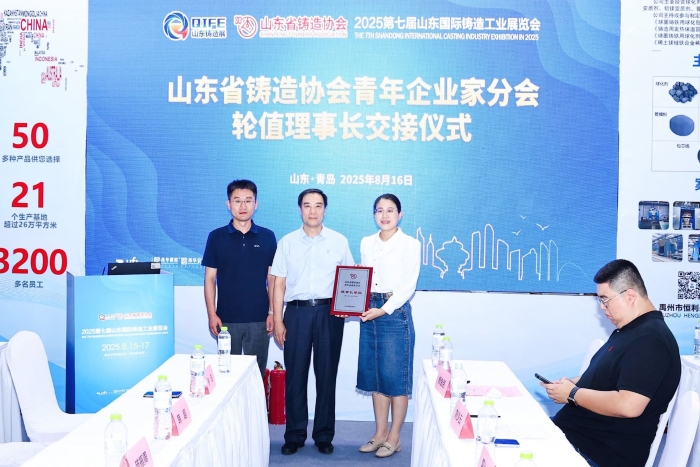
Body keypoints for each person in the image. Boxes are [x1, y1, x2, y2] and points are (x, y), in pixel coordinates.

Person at [543, 259, 680, 467]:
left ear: (630, 296)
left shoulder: (650, 339)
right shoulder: (630, 331)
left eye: (605, 299)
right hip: (577, 436)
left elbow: (629, 405)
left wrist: (572, 394)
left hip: (598, 452)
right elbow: (607, 376)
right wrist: (570, 383)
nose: (602, 307)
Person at [270, 188, 354, 456]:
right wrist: (278, 318)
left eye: (318, 205)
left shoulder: (339, 241)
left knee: (326, 375)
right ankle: (294, 435)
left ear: (325, 210)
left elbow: (351, 278)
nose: (313, 211)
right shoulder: (287, 242)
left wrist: (348, 305)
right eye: (307, 205)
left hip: (330, 313)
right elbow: (278, 284)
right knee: (295, 375)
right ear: (300, 209)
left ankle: (324, 435)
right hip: (296, 313)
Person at [356, 194, 421, 458]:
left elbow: (407, 286)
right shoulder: (366, 242)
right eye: (379, 210)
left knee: (395, 378)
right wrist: (353, 299)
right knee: (376, 377)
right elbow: (364, 277)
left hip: (393, 312)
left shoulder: (411, 244)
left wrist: (382, 310)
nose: (384, 215)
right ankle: (380, 434)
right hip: (369, 309)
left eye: (390, 210)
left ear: (400, 214)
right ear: (374, 214)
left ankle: (394, 438)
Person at [202, 179, 277, 377]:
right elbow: (210, 279)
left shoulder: (267, 237)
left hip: (259, 319)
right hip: (226, 320)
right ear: (229, 204)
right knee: (227, 375)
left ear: (256, 204)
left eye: (248, 201)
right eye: (237, 201)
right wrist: (212, 314)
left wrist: (273, 312)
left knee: (256, 376)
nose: (243, 206)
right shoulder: (216, 237)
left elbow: (272, 279)